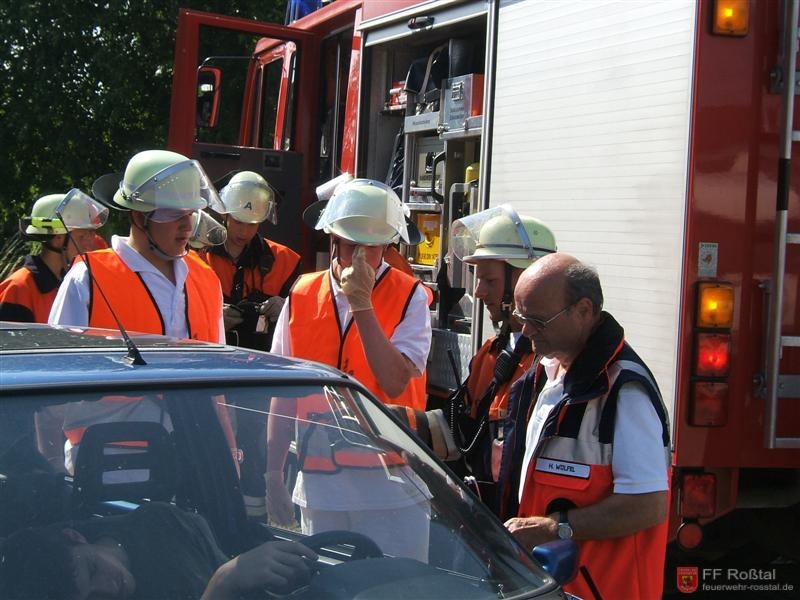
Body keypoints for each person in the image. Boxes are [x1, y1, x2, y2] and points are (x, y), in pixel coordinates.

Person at [265, 178, 432, 560]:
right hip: (321, 488)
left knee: (396, 586)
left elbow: (394, 381)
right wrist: (273, 473)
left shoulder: (411, 296)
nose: (360, 256)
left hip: (395, 487)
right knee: (329, 584)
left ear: (387, 246)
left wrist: (362, 304)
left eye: (371, 246)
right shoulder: (302, 294)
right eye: (351, 244)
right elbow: (283, 391)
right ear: (333, 239)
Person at [504, 253, 670, 600]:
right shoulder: (544, 375)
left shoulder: (624, 392)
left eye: (537, 320)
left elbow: (648, 505)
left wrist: (555, 527)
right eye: (521, 317)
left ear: (583, 311)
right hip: (548, 587)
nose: (526, 330)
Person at [444, 204, 556, 517]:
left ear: (525, 277)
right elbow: (461, 430)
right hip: (488, 524)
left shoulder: (553, 365)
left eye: (490, 281)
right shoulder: (491, 353)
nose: (479, 292)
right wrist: (389, 419)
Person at [48, 149, 224, 343]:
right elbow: (60, 357)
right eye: (174, 214)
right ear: (139, 218)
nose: (187, 226)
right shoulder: (86, 279)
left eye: (190, 213)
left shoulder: (207, 278)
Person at [0, 501, 317, 600]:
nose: (107, 589)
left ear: (75, 537)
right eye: (92, 598)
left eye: (93, 569)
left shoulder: (163, 524)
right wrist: (223, 583)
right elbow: (227, 577)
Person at [202, 170, 302, 350]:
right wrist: (211, 318)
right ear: (224, 214)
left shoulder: (286, 261)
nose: (244, 232)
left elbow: (304, 323)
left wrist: (287, 310)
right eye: (238, 221)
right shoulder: (197, 257)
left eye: (252, 224)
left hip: (265, 359)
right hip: (209, 357)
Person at [0, 190, 108, 323]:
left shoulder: (73, 283)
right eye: (81, 237)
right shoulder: (18, 289)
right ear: (58, 238)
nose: (88, 246)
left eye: (90, 235)